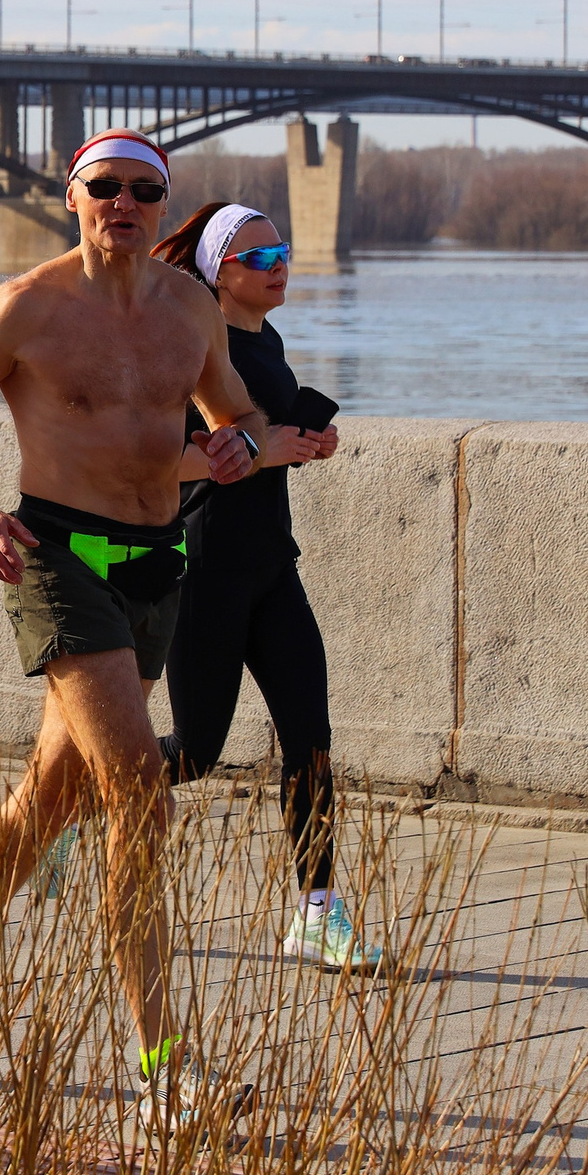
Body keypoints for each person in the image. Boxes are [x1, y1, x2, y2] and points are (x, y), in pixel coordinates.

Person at [0, 129, 268, 1126]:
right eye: (105, 187)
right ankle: (161, 1072)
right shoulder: (20, 308)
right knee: (140, 794)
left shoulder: (190, 305)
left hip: (154, 566)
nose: (124, 204)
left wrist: (239, 447)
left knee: (51, 799)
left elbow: (234, 415)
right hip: (55, 558)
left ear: (162, 202)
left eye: (146, 190)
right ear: (72, 196)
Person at [150, 202, 384, 973]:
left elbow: (268, 437)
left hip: (271, 569)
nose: (277, 265)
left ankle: (316, 913)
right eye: (256, 258)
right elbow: (170, 454)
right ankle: (70, 798)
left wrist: (308, 444)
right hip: (206, 566)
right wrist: (264, 448)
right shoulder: (192, 345)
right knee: (193, 754)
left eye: (280, 251)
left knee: (310, 739)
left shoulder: (267, 338)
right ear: (220, 272)